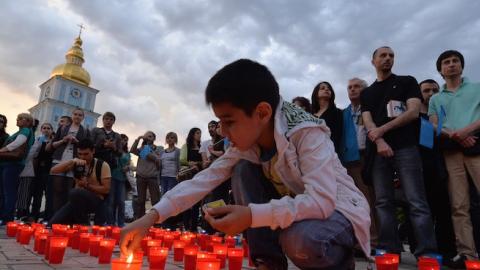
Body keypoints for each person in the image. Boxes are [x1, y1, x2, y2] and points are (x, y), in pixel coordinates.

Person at [120, 59, 370, 270]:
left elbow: (322, 201)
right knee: (242, 168)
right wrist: (150, 218)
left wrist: (251, 216)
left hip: (338, 209)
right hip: (299, 207)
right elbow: (204, 180)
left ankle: (339, 260)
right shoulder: (247, 143)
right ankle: (267, 263)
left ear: (262, 112)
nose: (224, 132)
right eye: (220, 122)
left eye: (229, 121)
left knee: (302, 241)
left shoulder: (306, 132)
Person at [360, 46, 436, 257]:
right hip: (378, 151)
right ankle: (389, 249)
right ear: (373, 61)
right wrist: (380, 141)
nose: (388, 59)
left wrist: (382, 130)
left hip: (406, 147)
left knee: (416, 200)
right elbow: (367, 120)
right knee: (383, 202)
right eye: (383, 55)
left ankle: (427, 252)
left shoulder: (407, 81)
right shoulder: (367, 92)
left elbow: (413, 112)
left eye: (391, 55)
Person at [428, 50, 480, 265]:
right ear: (440, 69)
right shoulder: (436, 98)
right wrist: (455, 135)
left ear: (461, 65)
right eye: (446, 62)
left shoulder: (477, 88)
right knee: (459, 205)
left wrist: (467, 130)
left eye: (455, 61)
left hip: (477, 145)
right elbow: (434, 123)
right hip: (451, 152)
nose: (451, 65)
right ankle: (467, 253)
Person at [340, 77, 378, 250]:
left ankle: (373, 240)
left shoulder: (372, 108)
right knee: (354, 201)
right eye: (350, 87)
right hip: (350, 160)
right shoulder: (343, 113)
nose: (353, 90)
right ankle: (358, 239)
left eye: (357, 87)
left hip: (369, 156)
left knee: (371, 199)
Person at [48, 139, 111, 225]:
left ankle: (84, 224)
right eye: (80, 154)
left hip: (97, 200)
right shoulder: (76, 163)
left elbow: (106, 190)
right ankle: (81, 224)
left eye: (86, 154)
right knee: (52, 224)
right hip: (77, 200)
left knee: (75, 192)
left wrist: (86, 185)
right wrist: (72, 161)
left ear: (93, 151)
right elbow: (53, 170)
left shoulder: (102, 165)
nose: (82, 157)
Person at [47, 108, 90, 214]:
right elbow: (53, 144)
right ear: (72, 115)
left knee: (70, 191)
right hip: (59, 159)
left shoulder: (85, 131)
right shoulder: (63, 128)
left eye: (80, 115)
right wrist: (63, 140)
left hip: (76, 161)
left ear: (83, 118)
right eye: (75, 114)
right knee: (57, 190)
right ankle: (56, 217)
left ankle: (66, 218)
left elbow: (87, 148)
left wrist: (77, 142)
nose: (77, 116)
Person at [0, 113, 35, 224]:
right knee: (6, 191)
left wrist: (1, 150)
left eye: (21, 119)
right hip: (11, 164)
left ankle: (7, 218)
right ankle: (5, 216)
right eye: (17, 118)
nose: (17, 120)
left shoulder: (25, 130)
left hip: (13, 164)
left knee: (8, 192)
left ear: (28, 122)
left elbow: (17, 143)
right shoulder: (24, 131)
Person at [91, 112, 122, 225]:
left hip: (109, 167)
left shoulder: (117, 136)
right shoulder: (96, 131)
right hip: (96, 164)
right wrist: (103, 145)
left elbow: (120, 153)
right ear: (103, 120)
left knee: (106, 195)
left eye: (111, 119)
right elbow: (91, 145)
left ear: (114, 121)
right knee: (93, 191)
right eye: (106, 119)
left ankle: (102, 222)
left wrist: (113, 147)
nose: (108, 121)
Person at [130, 131, 163, 219]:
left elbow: (159, 161)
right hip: (141, 176)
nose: (148, 138)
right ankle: (141, 219)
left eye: (150, 136)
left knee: (155, 201)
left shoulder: (159, 148)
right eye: (147, 136)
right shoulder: (141, 148)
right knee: (141, 201)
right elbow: (132, 151)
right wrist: (138, 139)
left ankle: (156, 220)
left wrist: (149, 154)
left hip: (153, 177)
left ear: (154, 138)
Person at [179, 127, 203, 232]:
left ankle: (193, 227)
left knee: (197, 202)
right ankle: (186, 226)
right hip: (188, 175)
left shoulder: (202, 147)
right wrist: (191, 163)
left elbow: (204, 160)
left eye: (200, 133)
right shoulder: (186, 146)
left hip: (199, 175)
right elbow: (182, 160)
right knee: (187, 201)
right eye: (197, 133)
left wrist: (198, 164)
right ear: (192, 134)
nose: (199, 135)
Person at [15, 119, 41, 220]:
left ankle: (21, 213)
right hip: (18, 167)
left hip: (26, 169)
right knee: (17, 192)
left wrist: (20, 159)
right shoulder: (22, 135)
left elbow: (32, 154)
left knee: (24, 194)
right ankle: (18, 212)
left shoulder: (35, 138)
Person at [30, 122, 55, 221]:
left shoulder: (53, 142)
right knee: (37, 194)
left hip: (49, 171)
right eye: (44, 128)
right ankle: (34, 215)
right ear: (41, 130)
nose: (46, 130)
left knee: (49, 195)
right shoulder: (38, 140)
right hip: (38, 171)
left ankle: (47, 217)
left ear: (51, 130)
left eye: (48, 128)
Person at [311, 81, 343, 153]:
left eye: (329, 89)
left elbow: (338, 135)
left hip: (330, 152)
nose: (326, 89)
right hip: (312, 153)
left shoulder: (338, 112)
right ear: (316, 93)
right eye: (322, 88)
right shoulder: (310, 115)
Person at [158, 132, 180, 229]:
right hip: (163, 177)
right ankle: (164, 222)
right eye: (168, 138)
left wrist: (178, 175)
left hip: (173, 177)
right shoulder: (162, 151)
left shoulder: (178, 151)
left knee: (171, 199)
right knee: (163, 199)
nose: (170, 139)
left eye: (172, 138)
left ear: (175, 140)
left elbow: (179, 164)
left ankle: (172, 223)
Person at [108, 133, 131, 227]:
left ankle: (121, 223)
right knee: (111, 201)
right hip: (112, 176)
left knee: (121, 201)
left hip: (122, 178)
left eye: (125, 140)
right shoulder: (113, 150)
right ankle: (111, 222)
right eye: (122, 139)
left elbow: (129, 164)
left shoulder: (128, 154)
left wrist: (127, 167)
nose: (123, 141)